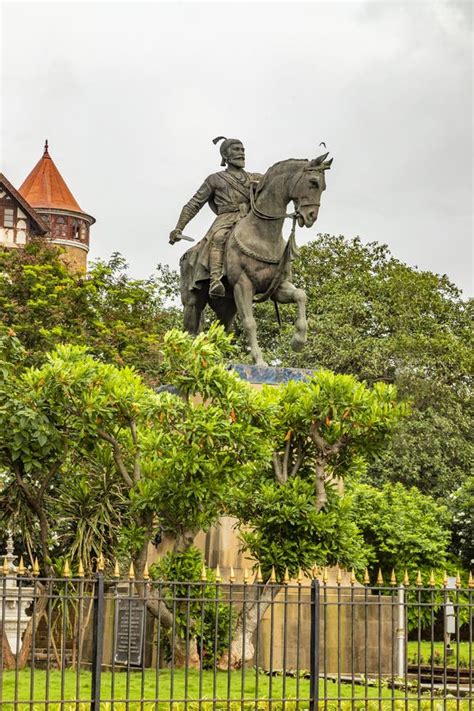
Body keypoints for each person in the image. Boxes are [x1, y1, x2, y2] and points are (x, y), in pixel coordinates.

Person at [169, 137, 261, 297]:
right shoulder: (215, 179)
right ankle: (215, 280)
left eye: (243, 150)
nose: (241, 153)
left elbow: (276, 185)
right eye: (236, 150)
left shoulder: (256, 177)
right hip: (226, 219)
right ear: (225, 155)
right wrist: (179, 227)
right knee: (219, 238)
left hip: (249, 220)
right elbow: (194, 204)